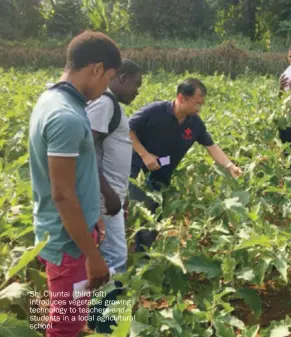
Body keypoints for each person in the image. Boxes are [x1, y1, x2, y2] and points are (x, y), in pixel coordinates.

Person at [28, 31, 121, 337]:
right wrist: (93, 257)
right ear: (96, 69)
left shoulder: (54, 99)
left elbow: (75, 177)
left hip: (69, 234)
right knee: (66, 325)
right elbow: (63, 195)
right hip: (68, 245)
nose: (107, 86)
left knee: (70, 314)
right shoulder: (66, 115)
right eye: (108, 78)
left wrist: (93, 216)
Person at [129, 78, 243, 252]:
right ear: (182, 97)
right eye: (197, 103)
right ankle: (132, 261)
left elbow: (210, 146)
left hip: (162, 175)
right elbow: (126, 129)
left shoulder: (194, 123)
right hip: (137, 172)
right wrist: (144, 155)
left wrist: (230, 166)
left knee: (153, 218)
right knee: (142, 213)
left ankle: (143, 256)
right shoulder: (154, 111)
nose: (199, 109)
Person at [85, 59, 142, 333]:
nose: (137, 91)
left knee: (110, 258)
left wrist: (122, 193)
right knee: (115, 259)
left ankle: (98, 318)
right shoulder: (105, 104)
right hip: (101, 199)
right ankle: (106, 324)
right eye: (136, 84)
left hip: (110, 196)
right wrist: (108, 193)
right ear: (121, 77)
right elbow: (84, 150)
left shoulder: (112, 106)